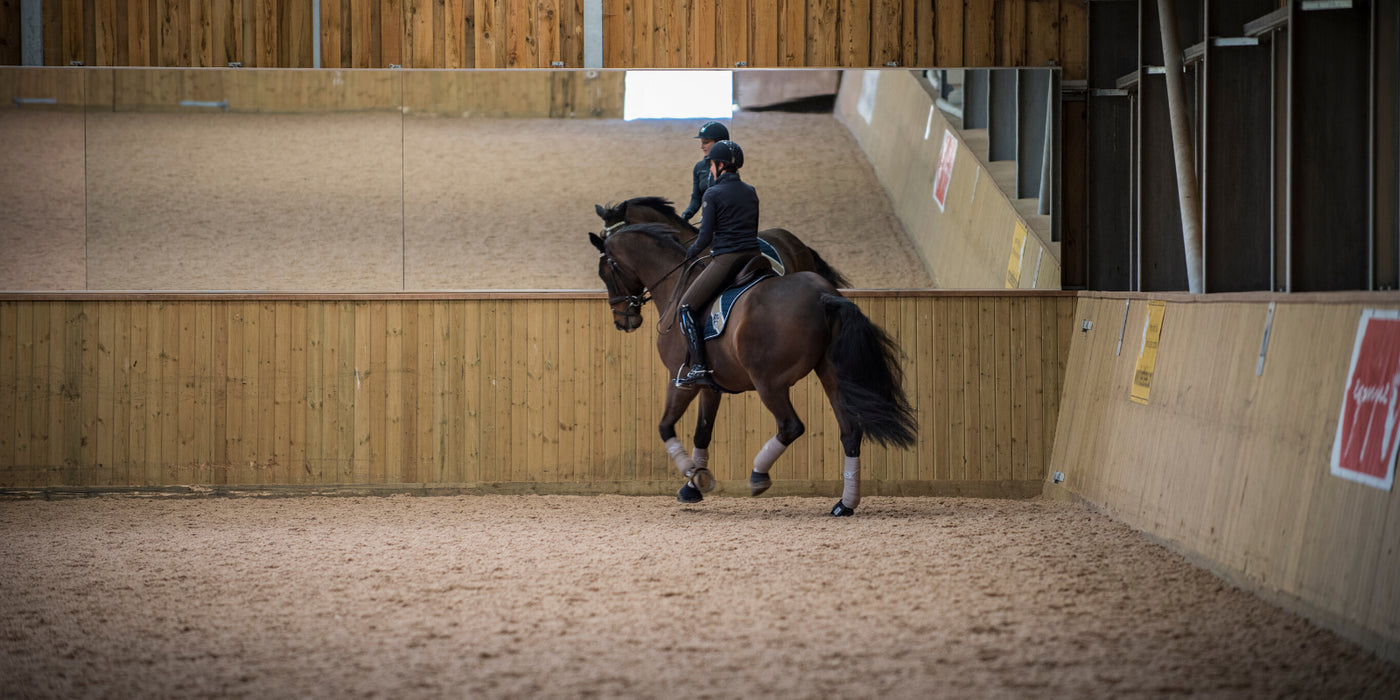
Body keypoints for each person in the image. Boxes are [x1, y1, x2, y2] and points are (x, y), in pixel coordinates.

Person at [674, 140, 760, 388]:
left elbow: (706, 237)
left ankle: (699, 366)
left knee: (686, 307)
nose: (710, 169)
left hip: (728, 259)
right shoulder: (750, 191)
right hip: (754, 256)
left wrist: (689, 253)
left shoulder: (712, 194)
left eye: (712, 164)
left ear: (720, 165)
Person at [680, 121, 730, 222]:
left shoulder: (729, 166)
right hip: (707, 221)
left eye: (706, 142)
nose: (702, 147)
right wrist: (687, 214)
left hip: (725, 222)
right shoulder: (699, 167)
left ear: (719, 143)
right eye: (701, 142)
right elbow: (696, 197)